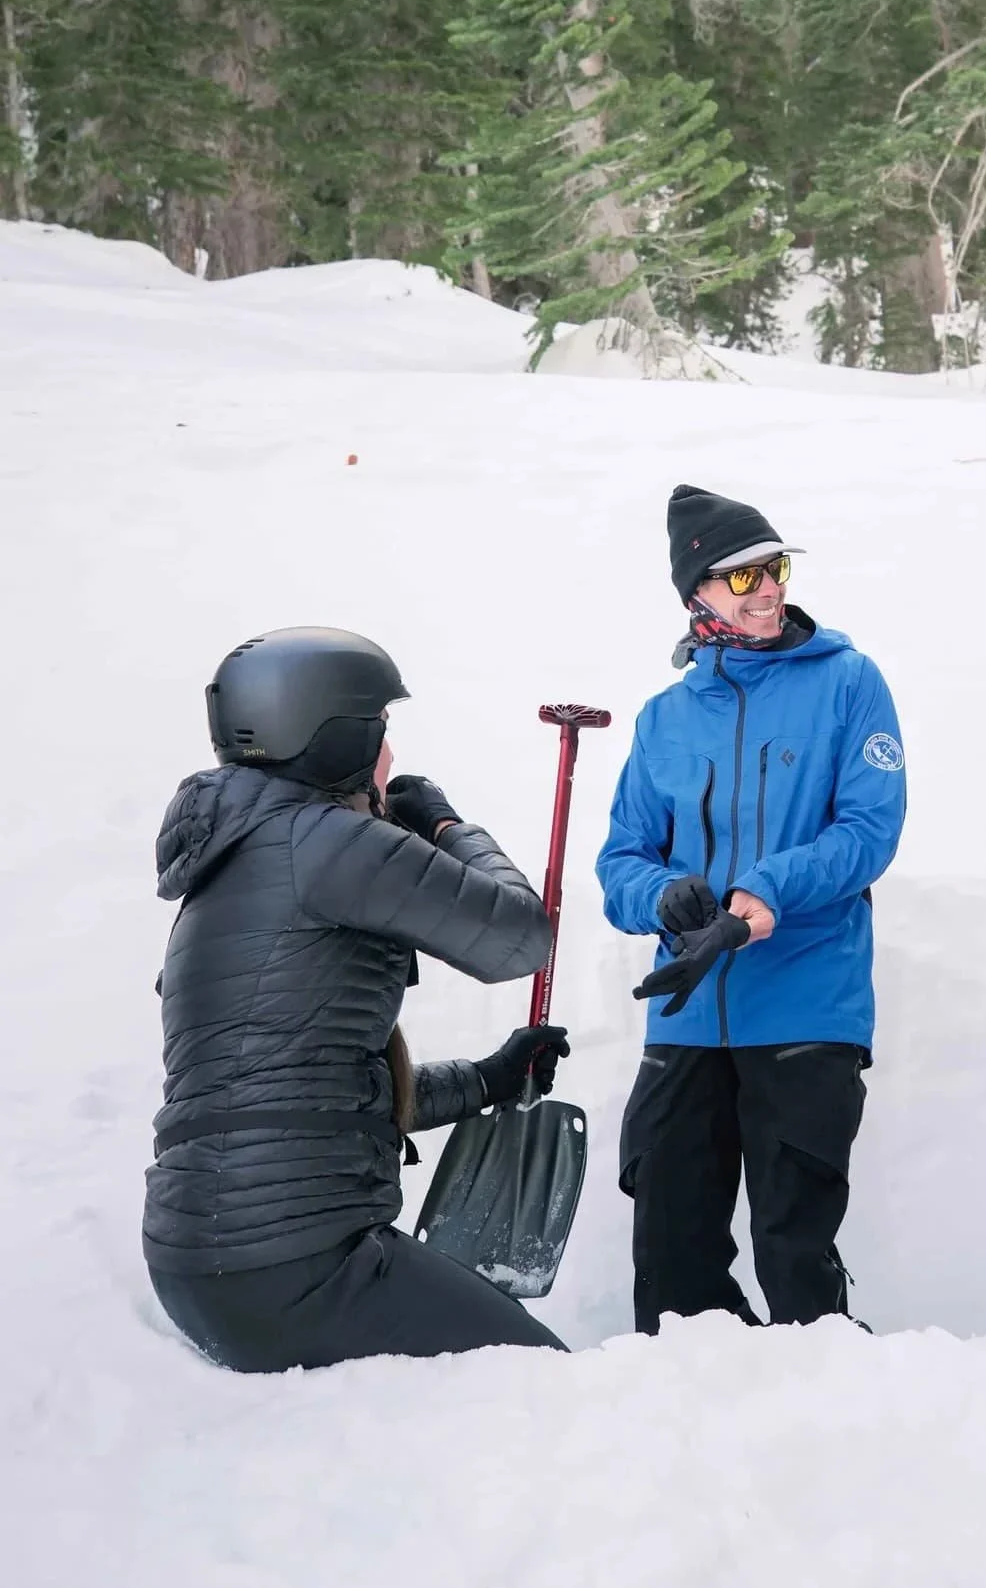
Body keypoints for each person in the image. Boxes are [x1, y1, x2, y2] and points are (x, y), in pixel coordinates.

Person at [144, 625, 571, 1371]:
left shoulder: (231, 864)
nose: (392, 756)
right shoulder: (322, 841)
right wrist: (443, 825)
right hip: (294, 1259)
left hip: (208, 1262)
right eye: (382, 731)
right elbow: (520, 937)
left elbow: (302, 1091)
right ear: (335, 735)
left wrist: (487, 1081)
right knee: (545, 1383)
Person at [597, 484, 907, 1332]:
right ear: (695, 592)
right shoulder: (664, 720)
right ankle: (699, 1428)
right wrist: (664, 896)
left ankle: (829, 1417)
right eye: (741, 578)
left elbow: (869, 831)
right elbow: (621, 860)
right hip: (688, 1015)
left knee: (793, 1254)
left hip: (807, 1003)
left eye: (774, 567)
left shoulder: (848, 683)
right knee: (669, 1258)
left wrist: (764, 894)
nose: (767, 588)